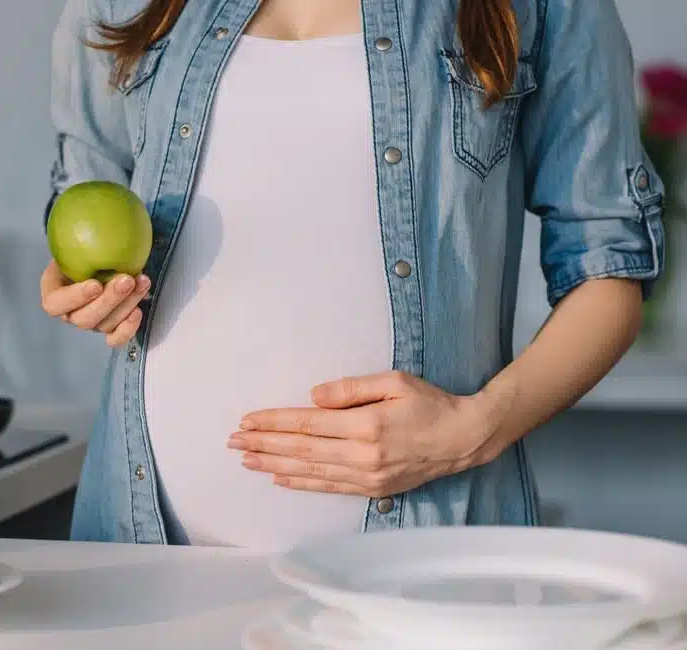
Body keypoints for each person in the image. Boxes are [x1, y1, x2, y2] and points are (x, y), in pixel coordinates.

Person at [39, 0, 665, 551]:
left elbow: (609, 270)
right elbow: (89, 199)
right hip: (145, 542)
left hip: (418, 564)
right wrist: (84, 292)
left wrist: (472, 431)